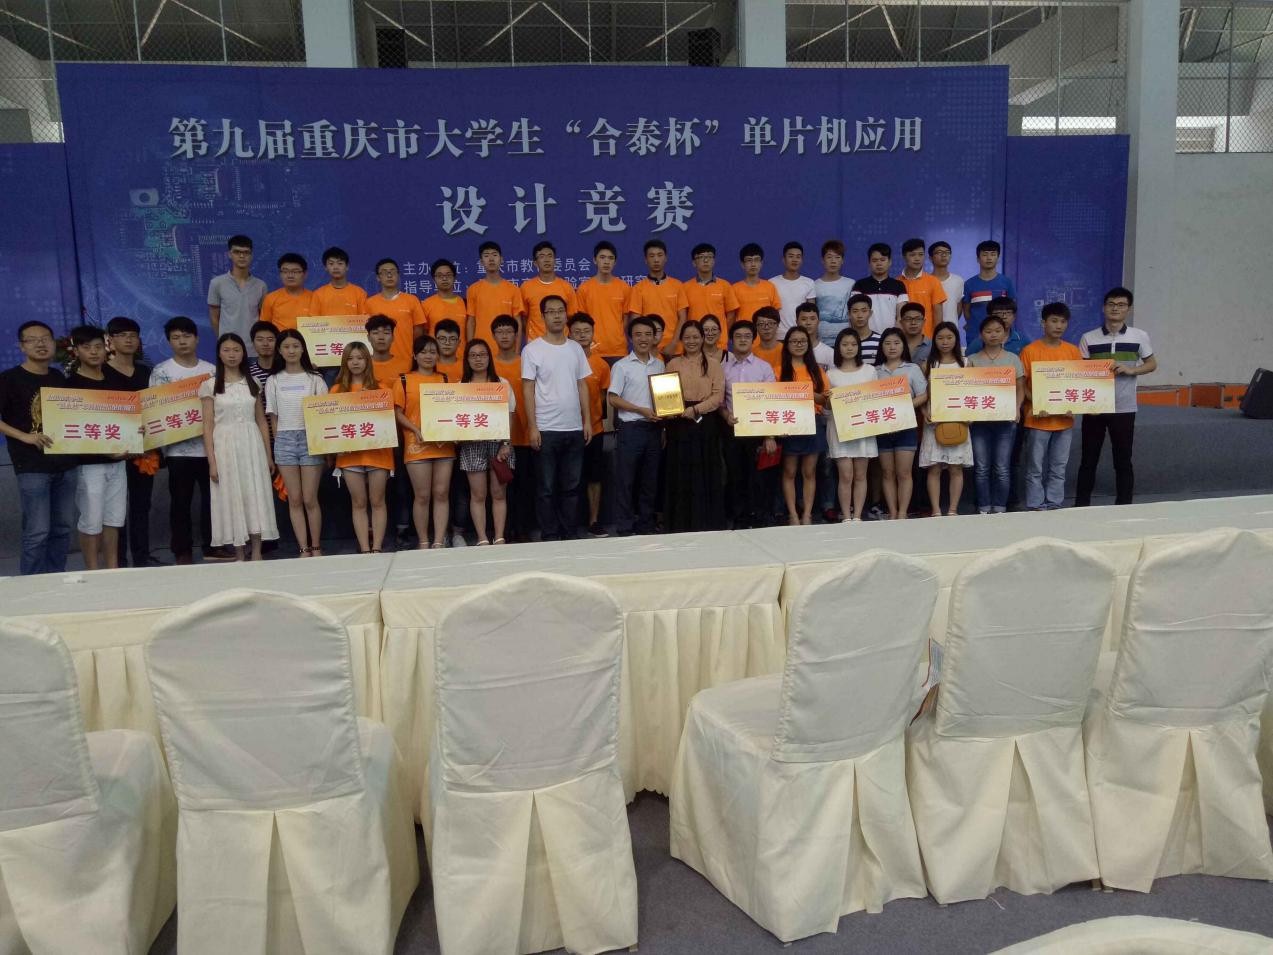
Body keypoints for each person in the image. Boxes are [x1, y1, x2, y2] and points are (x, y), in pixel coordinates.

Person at [0, 321, 77, 574]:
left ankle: (55, 579)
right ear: (21, 347)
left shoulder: (58, 377)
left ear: (54, 343)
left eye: (45, 338)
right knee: (37, 531)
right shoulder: (9, 379)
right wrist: (24, 436)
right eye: (32, 340)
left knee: (62, 528)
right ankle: (32, 584)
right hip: (32, 465)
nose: (40, 343)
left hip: (65, 463)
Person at [150, 316, 226, 564]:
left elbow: (221, 406)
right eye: (176, 337)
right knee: (180, 502)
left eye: (186, 336)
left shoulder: (211, 370)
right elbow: (155, 410)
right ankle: (181, 549)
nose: (182, 341)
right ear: (169, 341)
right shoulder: (161, 372)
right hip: (178, 451)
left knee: (213, 501)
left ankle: (213, 546)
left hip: (210, 449)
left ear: (197, 338)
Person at [199, 333, 278, 561]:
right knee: (232, 495)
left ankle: (257, 551)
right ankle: (239, 552)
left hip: (252, 444)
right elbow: (207, 425)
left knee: (255, 494)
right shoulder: (209, 385)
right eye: (226, 350)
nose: (232, 355)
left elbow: (261, 421)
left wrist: (268, 455)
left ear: (244, 353)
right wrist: (212, 462)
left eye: (236, 350)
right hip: (224, 445)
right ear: (219, 354)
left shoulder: (253, 382)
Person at [1076, 287, 1157, 507]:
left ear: (1128, 309)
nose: (1115, 308)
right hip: (1094, 407)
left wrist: (1131, 370)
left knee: (1122, 459)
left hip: (1124, 407)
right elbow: (1080, 372)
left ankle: (1124, 506)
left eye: (1121, 305)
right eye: (1111, 304)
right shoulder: (1088, 337)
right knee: (1088, 459)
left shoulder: (1139, 336)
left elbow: (1152, 364)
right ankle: (1081, 506)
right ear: (1103, 308)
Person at [521, 294, 592, 541]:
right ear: (542, 317)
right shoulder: (532, 350)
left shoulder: (575, 348)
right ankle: (550, 535)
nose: (557, 316)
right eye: (551, 312)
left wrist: (587, 421)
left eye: (560, 311)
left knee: (572, 487)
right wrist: (532, 427)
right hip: (546, 428)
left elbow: (582, 385)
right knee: (546, 488)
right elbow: (527, 388)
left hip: (573, 427)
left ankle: (569, 533)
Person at [65, 325, 129, 571]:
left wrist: (135, 435)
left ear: (106, 348)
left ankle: (112, 569)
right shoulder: (69, 386)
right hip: (88, 465)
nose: (93, 352)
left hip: (118, 461)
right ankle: (92, 570)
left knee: (114, 519)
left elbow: (127, 419)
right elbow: (68, 430)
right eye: (86, 347)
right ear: (76, 351)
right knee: (91, 520)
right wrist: (104, 451)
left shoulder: (117, 381)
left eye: (98, 346)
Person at [264, 329, 328, 556]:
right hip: (284, 439)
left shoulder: (315, 379)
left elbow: (324, 414)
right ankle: (303, 547)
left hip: (311, 439)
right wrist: (276, 445)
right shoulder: (273, 380)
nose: (291, 351)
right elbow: (273, 418)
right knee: (295, 499)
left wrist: (323, 445)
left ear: (303, 349)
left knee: (310, 499)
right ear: (280, 351)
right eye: (286, 347)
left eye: (295, 346)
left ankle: (316, 546)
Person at [329, 341, 394, 553]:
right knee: (358, 502)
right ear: (344, 362)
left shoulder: (382, 389)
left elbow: (388, 423)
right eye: (350, 358)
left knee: (377, 501)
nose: (355, 362)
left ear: (367, 361)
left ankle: (377, 548)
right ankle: (365, 549)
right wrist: (335, 445)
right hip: (349, 455)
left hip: (378, 453)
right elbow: (329, 424)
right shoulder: (336, 391)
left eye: (360, 358)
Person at [394, 335, 455, 549]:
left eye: (432, 352)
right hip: (416, 445)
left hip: (443, 446)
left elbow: (453, 409)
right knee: (421, 495)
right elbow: (398, 413)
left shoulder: (445, 379)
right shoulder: (403, 380)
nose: (428, 356)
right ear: (414, 355)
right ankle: (423, 541)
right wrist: (415, 429)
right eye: (423, 352)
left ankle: (438, 540)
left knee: (441, 493)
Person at [106, 316, 158, 567]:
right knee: (115, 508)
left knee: (141, 505)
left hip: (144, 449)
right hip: (113, 451)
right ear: (110, 340)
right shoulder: (101, 372)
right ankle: (118, 560)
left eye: (133, 335)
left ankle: (142, 556)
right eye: (122, 335)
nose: (128, 340)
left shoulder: (147, 372)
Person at [664, 320, 725, 532]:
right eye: (687, 337)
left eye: (695, 337)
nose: (691, 341)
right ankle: (680, 523)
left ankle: (706, 522)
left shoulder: (714, 364)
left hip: (705, 422)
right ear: (681, 339)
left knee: (705, 471)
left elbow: (717, 397)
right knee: (680, 472)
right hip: (678, 423)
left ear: (702, 338)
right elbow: (666, 395)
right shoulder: (673, 364)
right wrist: (671, 410)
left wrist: (696, 409)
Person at [1020, 303, 1082, 511]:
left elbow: (1078, 384)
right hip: (1037, 419)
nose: (1059, 326)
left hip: (1064, 420)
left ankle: (1054, 502)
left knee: (1059, 466)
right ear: (1043, 323)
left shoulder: (1073, 351)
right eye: (1054, 321)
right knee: (1035, 467)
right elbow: (1022, 385)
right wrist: (1037, 402)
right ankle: (1035, 504)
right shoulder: (1029, 351)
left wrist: (1075, 404)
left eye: (1063, 322)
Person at [607, 316, 665, 536]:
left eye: (648, 334)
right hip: (631, 429)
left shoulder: (659, 364)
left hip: (654, 429)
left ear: (654, 337)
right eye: (638, 334)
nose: (643, 339)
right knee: (626, 480)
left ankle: (646, 524)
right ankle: (624, 526)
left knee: (650, 480)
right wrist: (640, 410)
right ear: (630, 338)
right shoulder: (622, 366)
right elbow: (613, 398)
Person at [456, 339, 517, 545]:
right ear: (467, 359)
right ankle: (482, 537)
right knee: (478, 494)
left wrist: (506, 443)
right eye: (473, 355)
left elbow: (510, 415)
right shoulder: (460, 387)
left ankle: (499, 536)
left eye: (482, 355)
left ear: (489, 358)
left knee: (499, 494)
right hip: (471, 444)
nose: (478, 359)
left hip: (498, 444)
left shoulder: (502, 383)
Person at [720, 320, 778, 529]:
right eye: (738, 336)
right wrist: (726, 416)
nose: (743, 340)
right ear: (731, 340)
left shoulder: (764, 367)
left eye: (747, 336)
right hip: (732, 430)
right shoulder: (723, 369)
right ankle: (738, 518)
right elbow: (720, 402)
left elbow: (771, 402)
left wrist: (769, 436)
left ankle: (760, 517)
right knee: (735, 475)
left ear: (753, 340)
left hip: (758, 431)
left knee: (758, 477)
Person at [967, 315, 1026, 514]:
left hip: (1005, 421)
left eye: (998, 331)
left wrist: (1017, 408)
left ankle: (1000, 507)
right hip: (979, 422)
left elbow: (1020, 387)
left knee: (1002, 467)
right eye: (988, 331)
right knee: (982, 467)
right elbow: (966, 390)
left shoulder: (1012, 359)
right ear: (981, 335)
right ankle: (984, 506)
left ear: (1005, 334)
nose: (993, 335)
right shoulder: (972, 360)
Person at [918, 322, 973, 517]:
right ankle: (935, 510)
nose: (945, 342)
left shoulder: (965, 363)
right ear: (934, 340)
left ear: (956, 339)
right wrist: (924, 412)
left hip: (959, 421)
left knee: (955, 468)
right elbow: (922, 394)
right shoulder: (927, 364)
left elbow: (972, 393)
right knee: (934, 469)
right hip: (934, 422)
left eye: (949, 337)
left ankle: (953, 509)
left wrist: (970, 415)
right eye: (940, 338)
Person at [825, 328, 879, 522]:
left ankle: (857, 516)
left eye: (854, 344)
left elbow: (876, 399)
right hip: (840, 429)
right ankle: (846, 516)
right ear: (838, 347)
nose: (849, 348)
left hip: (863, 428)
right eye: (845, 344)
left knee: (861, 475)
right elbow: (826, 407)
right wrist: (828, 400)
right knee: (845, 476)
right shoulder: (830, 374)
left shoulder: (870, 371)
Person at [874, 328, 928, 520]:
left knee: (904, 473)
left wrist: (906, 405)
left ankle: (903, 512)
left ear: (903, 346)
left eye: (896, 343)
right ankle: (893, 511)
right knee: (887, 473)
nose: (892, 347)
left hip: (906, 427)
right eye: (887, 343)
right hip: (882, 429)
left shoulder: (912, 369)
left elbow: (924, 394)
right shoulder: (875, 371)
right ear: (881, 347)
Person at [491, 314, 536, 542]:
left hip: (525, 436)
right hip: (498, 440)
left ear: (517, 335)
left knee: (525, 487)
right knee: (500, 488)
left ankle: (523, 530)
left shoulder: (526, 362)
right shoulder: (489, 366)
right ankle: (503, 531)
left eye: (509, 331)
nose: (505, 336)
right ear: (493, 336)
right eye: (500, 332)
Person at [778, 326, 828, 525]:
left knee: (809, 472)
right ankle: (792, 514)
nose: (798, 345)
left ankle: (807, 514)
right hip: (789, 423)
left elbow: (826, 401)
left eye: (802, 341)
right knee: (789, 471)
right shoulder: (778, 370)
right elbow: (772, 400)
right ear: (787, 345)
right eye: (794, 341)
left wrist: (805, 393)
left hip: (813, 422)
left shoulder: (817, 371)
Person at [569, 313, 612, 536]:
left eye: (586, 331)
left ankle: (594, 521)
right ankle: (567, 524)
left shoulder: (601, 365)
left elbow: (603, 398)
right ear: (569, 334)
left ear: (593, 333)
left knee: (594, 477)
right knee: (569, 478)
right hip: (567, 429)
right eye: (577, 332)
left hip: (595, 429)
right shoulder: (563, 362)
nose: (582, 335)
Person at [365, 258, 426, 377]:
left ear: (398, 275)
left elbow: (418, 331)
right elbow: (365, 332)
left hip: (405, 361)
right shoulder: (369, 303)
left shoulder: (412, 300)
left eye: (393, 271)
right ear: (378, 277)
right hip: (377, 363)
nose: (389, 275)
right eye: (384, 272)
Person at [675, 243, 739, 354]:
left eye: (709, 257)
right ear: (694, 263)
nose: (705, 260)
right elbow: (682, 317)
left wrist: (720, 333)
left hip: (719, 345)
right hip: (693, 344)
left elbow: (731, 315)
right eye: (701, 257)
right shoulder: (685, 287)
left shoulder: (725, 285)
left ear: (714, 261)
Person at [207, 234, 266, 352]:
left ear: (251, 255)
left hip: (253, 349)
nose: (242, 256)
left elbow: (262, 318)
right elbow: (214, 317)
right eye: (237, 252)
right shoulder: (217, 283)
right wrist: (223, 341)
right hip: (229, 350)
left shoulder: (261, 285)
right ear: (229, 254)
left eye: (246, 252)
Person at [576, 240, 631, 364]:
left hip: (618, 351)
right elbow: (581, 321)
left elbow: (626, 318)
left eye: (611, 258)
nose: (606, 262)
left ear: (615, 262)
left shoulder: (624, 288)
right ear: (594, 260)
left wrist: (616, 337)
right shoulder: (584, 289)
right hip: (593, 350)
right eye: (602, 257)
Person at [626, 239, 683, 355]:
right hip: (648, 350)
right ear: (646, 260)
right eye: (651, 256)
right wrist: (646, 345)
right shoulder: (638, 288)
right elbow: (636, 321)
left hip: (674, 349)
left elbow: (683, 317)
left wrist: (673, 343)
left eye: (659, 255)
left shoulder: (677, 285)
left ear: (665, 258)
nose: (656, 260)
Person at [467, 240, 526, 343]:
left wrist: (516, 349)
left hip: (506, 347)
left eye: (494, 255)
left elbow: (518, 322)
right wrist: (470, 348)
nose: (491, 259)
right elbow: (471, 322)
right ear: (481, 262)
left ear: (501, 259)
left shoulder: (513, 289)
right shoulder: (473, 289)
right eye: (486, 255)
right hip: (481, 348)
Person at [522, 240, 578, 341]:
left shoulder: (567, 287)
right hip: (535, 342)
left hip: (561, 342)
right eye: (542, 256)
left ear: (555, 260)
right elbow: (523, 318)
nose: (546, 260)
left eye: (550, 256)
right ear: (535, 263)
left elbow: (571, 317)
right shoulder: (526, 287)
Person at [853, 243, 910, 335]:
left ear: (890, 262)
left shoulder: (898, 286)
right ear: (869, 263)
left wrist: (895, 337)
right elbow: (854, 314)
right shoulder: (860, 285)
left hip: (890, 339)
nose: (879, 264)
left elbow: (901, 316)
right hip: (865, 337)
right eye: (874, 260)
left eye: (883, 260)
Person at [898, 238, 948, 339]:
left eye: (921, 254)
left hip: (927, 339)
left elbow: (938, 315)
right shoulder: (896, 283)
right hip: (902, 339)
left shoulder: (933, 281)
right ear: (904, 256)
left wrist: (936, 339)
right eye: (912, 255)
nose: (917, 258)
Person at [961, 239, 1016, 331]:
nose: (989, 258)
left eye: (993, 254)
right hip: (976, 333)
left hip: (1000, 333)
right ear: (978, 259)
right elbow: (966, 311)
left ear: (998, 258)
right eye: (985, 254)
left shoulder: (1007, 282)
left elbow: (1012, 308)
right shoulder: (969, 284)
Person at [812, 239, 854, 348]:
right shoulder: (814, 285)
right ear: (823, 260)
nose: (833, 261)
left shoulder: (851, 284)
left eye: (837, 257)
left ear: (842, 260)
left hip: (846, 342)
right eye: (829, 257)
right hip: (821, 342)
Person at [259, 253, 314, 333]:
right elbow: (264, 328)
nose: (290, 276)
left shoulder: (314, 298)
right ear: (280, 274)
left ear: (305, 274)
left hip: (307, 340)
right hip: (280, 341)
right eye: (285, 271)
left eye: (295, 271)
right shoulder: (270, 298)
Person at [770, 240, 816, 335]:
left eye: (798, 257)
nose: (795, 260)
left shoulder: (809, 283)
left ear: (802, 260)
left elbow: (812, 313)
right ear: (783, 259)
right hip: (778, 335)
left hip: (801, 335)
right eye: (791, 256)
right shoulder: (772, 283)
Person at [421, 259, 467, 350]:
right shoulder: (426, 304)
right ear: (434, 279)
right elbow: (423, 334)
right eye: (440, 276)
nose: (444, 279)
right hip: (435, 355)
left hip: (461, 355)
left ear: (454, 277)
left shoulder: (465, 303)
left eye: (448, 275)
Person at [732, 242, 781, 325]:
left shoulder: (770, 287)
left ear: (761, 263)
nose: (753, 264)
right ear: (742, 264)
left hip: (765, 333)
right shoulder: (734, 289)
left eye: (756, 260)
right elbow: (731, 316)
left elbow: (776, 313)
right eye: (749, 260)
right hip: (744, 332)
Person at [312, 246, 368, 317]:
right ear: (326, 267)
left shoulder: (360, 293)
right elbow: (313, 321)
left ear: (347, 267)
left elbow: (364, 320)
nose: (336, 267)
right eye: (331, 264)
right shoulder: (318, 294)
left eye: (340, 263)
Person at [928, 240, 964, 332]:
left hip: (951, 331)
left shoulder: (958, 280)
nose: (944, 255)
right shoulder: (926, 281)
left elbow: (959, 308)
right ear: (930, 258)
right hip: (929, 331)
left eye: (947, 252)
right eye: (939, 252)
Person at [846, 294, 882, 364]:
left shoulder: (881, 341)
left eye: (864, 311)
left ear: (870, 313)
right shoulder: (844, 342)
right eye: (855, 311)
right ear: (849, 314)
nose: (860, 315)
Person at [751, 306, 784, 376]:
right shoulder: (751, 355)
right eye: (761, 324)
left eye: (771, 323)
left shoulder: (786, 351)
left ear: (778, 325)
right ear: (755, 327)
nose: (766, 327)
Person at [247, 320, 281, 387]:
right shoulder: (248, 373)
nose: (265, 344)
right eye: (260, 340)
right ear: (253, 343)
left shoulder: (285, 370)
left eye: (270, 339)